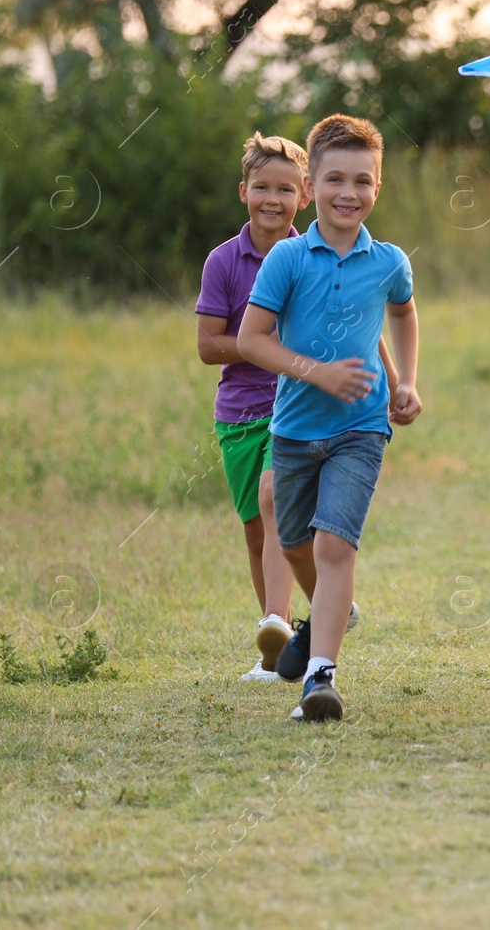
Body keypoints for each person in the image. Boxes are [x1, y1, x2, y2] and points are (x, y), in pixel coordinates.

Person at [237, 114, 422, 721]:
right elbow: (251, 340)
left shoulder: (390, 260)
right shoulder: (288, 259)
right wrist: (317, 373)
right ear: (311, 185)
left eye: (363, 181)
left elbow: (402, 314)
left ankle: (321, 675)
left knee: (335, 547)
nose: (350, 193)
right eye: (335, 179)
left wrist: (405, 383)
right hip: (292, 429)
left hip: (361, 428)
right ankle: (325, 617)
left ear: (378, 188)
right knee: (294, 548)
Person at [195, 133, 313, 681]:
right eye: (262, 187)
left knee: (276, 504)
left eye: (285, 189)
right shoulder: (223, 261)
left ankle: (279, 623)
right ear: (243, 191)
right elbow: (206, 345)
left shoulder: (312, 256)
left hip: (296, 406)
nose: (273, 198)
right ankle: (277, 642)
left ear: (304, 195)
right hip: (238, 413)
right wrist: (258, 343)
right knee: (255, 530)